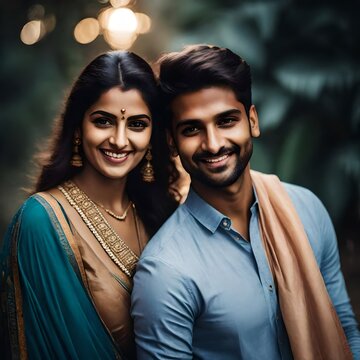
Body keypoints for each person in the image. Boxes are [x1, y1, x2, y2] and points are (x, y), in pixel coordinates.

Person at [131, 44, 360, 359]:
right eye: (192, 128)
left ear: (252, 121)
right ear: (172, 141)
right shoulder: (166, 271)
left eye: (226, 121)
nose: (213, 144)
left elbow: (344, 329)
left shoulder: (306, 209)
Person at [0, 50, 176, 359]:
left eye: (136, 124)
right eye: (103, 121)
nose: (120, 140)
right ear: (78, 126)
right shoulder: (43, 221)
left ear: (153, 135)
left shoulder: (161, 214)